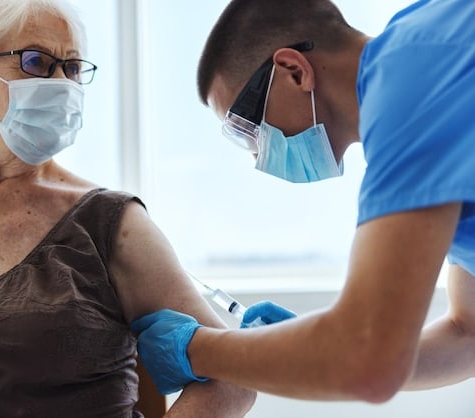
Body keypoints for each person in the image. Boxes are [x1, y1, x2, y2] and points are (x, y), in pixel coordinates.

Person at [0, 0, 257, 416]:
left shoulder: (113, 225)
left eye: (73, 67)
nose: (61, 82)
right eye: (36, 61)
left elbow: (235, 376)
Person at [131, 0, 475, 404]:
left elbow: (372, 363)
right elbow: (466, 334)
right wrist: (320, 348)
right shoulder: (422, 77)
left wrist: (199, 351)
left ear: (294, 70)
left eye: (247, 128)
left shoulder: (412, 87)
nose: (257, 154)